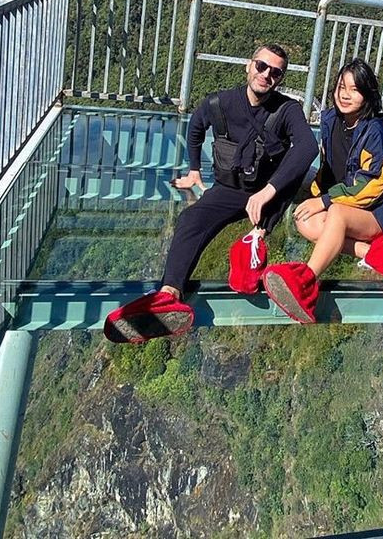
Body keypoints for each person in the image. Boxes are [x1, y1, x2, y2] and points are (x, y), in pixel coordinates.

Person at [104, 43, 318, 344]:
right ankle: (169, 295)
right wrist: (194, 169)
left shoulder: (287, 110)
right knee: (192, 220)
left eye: (275, 72)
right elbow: (196, 127)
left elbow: (308, 147)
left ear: (280, 79)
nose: (266, 75)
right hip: (230, 188)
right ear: (249, 65)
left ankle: (254, 250)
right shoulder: (220, 103)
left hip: (271, 190)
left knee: (251, 247)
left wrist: (268, 191)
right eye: (261, 66)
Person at [261, 57, 383, 324]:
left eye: (354, 90)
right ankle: (375, 253)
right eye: (341, 86)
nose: (345, 95)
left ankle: (306, 283)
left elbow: (370, 187)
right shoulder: (332, 119)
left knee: (337, 215)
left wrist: (323, 200)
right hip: (352, 201)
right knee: (304, 221)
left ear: (367, 96)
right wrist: (315, 194)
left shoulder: (376, 135)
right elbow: (330, 165)